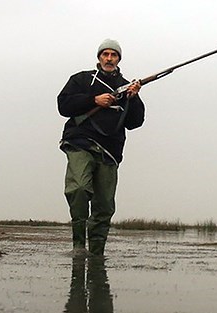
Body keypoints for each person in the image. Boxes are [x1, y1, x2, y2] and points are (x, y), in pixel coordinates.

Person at [58, 39, 145, 257]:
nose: (108, 58)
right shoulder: (81, 79)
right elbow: (63, 105)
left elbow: (135, 123)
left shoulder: (127, 88)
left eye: (113, 55)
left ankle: (96, 255)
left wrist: (133, 99)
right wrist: (94, 100)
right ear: (99, 57)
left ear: (118, 59)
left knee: (104, 206)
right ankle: (79, 246)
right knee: (78, 188)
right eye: (105, 54)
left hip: (110, 151)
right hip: (80, 142)